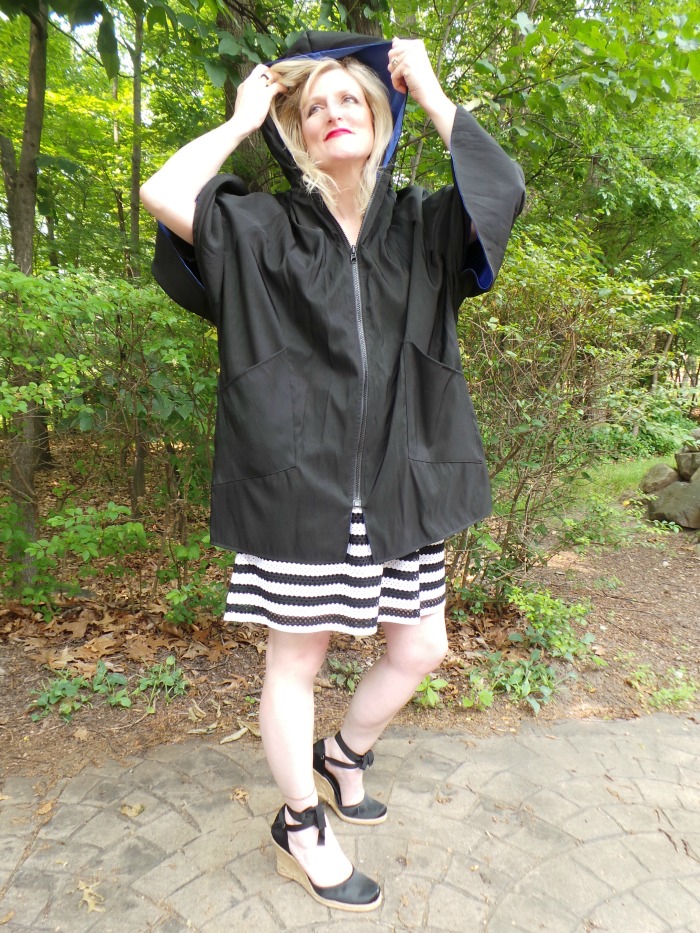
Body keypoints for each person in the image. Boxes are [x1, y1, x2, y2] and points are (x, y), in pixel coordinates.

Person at [140, 30, 525, 912]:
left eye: (351, 99)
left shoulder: (426, 225)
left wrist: (432, 92)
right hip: (297, 481)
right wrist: (242, 119)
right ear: (298, 134)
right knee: (295, 661)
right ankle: (302, 823)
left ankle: (344, 752)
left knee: (422, 645)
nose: (332, 113)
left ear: (381, 121)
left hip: (404, 476)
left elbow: (503, 189)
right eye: (314, 107)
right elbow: (162, 193)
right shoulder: (260, 227)